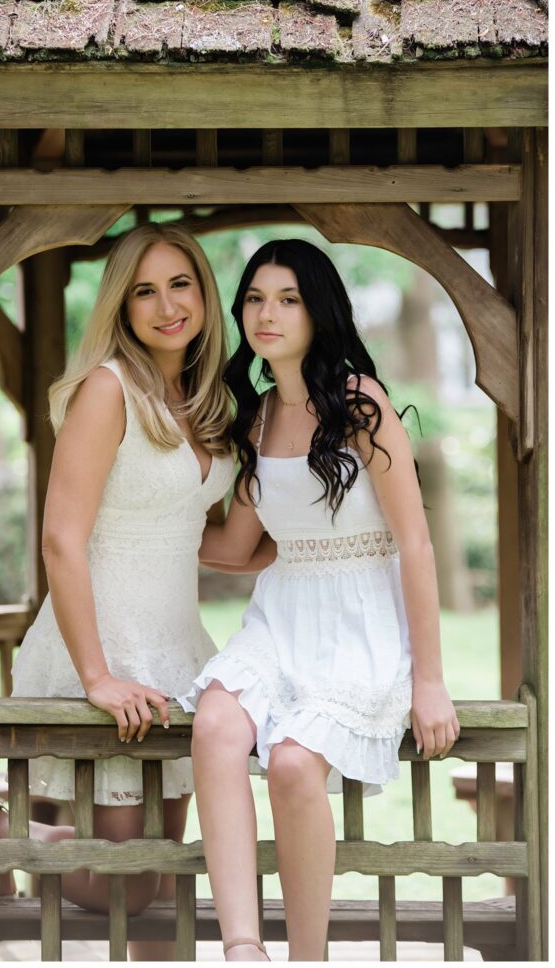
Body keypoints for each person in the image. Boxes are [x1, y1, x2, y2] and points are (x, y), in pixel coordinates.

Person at [0, 223, 267, 960]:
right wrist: (97, 674)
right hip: (96, 647)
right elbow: (61, 538)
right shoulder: (109, 390)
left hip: (177, 653)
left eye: (181, 284)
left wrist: (334, 534)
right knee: (126, 885)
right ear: (122, 307)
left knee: (160, 873)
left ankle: (17, 839)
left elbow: (222, 545)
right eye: (144, 291)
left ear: (203, 292)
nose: (167, 305)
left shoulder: (213, 405)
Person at [179, 238, 460, 961]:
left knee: (295, 763)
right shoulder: (259, 417)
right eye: (254, 299)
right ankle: (244, 945)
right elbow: (238, 550)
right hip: (283, 612)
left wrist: (430, 683)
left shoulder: (359, 404)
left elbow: (417, 546)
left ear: (319, 311)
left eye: (288, 299)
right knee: (213, 725)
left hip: (364, 617)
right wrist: (138, 535)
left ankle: (308, 956)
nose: (265, 315)